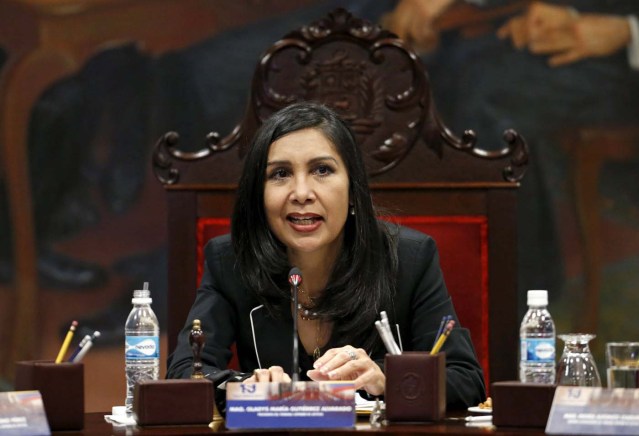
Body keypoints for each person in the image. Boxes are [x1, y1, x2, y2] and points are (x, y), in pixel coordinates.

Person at [166, 102, 486, 413]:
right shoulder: (231, 262)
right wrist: (242, 385)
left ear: (352, 190)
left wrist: (388, 377)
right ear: (258, 196)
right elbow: (184, 373)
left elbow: (466, 379)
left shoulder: (409, 259)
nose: (302, 192)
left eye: (322, 170)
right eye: (280, 173)